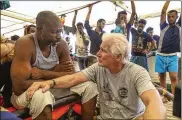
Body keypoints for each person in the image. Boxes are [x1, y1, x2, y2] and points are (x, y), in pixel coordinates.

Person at [26, 33, 166, 120]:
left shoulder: (137, 72)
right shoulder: (98, 68)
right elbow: (73, 78)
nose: (97, 53)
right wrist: (50, 83)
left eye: (103, 50)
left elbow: (154, 103)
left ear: (117, 57)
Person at [10, 11, 98, 120]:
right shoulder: (25, 44)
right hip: (23, 95)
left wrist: (44, 73)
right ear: (40, 30)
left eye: (60, 31)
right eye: (55, 32)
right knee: (42, 95)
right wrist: (57, 74)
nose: (59, 36)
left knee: (90, 86)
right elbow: (19, 86)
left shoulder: (61, 44)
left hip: (50, 87)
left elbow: (71, 75)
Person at [156, 1, 181, 95]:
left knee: (174, 77)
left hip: (173, 56)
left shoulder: (179, 25)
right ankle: (165, 97)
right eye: (169, 17)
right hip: (160, 55)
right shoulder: (163, 26)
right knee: (162, 77)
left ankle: (174, 98)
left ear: (176, 17)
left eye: (172, 16)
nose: (170, 18)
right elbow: (163, 11)